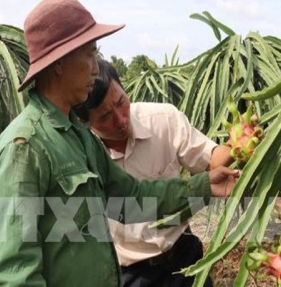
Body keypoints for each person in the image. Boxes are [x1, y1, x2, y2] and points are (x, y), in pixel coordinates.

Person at [0, 0, 240, 287]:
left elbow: (131, 199)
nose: (96, 67)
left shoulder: (78, 137)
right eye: (90, 54)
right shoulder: (26, 146)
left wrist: (205, 185)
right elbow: (12, 273)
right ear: (59, 63)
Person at [74, 59, 234, 287]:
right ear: (85, 122)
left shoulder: (162, 120)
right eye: (105, 117)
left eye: (121, 102)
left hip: (183, 257)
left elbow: (210, 158)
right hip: (131, 274)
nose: (121, 119)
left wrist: (238, 145)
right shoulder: (82, 156)